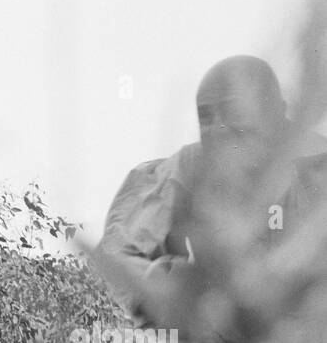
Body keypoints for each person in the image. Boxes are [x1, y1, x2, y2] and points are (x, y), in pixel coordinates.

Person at [99, 55, 327, 326]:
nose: (218, 130)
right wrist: (168, 285)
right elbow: (119, 258)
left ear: (277, 113)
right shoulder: (186, 168)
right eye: (205, 117)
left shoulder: (316, 172)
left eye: (234, 113)